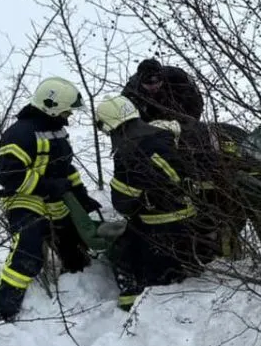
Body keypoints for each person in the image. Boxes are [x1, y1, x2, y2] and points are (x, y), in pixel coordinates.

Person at [94, 94, 221, 310]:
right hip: (193, 220)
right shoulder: (164, 134)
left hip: (159, 230)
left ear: (108, 124)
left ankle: (133, 308)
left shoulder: (128, 151)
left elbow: (122, 202)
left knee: (137, 265)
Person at [0, 76, 103, 321]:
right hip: (22, 198)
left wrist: (81, 196)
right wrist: (48, 186)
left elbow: (67, 170)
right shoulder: (19, 134)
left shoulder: (57, 132)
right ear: (51, 107)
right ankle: (6, 305)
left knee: (73, 242)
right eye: (66, 111)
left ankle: (76, 274)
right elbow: (9, 176)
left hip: (53, 198)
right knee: (29, 246)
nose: (69, 116)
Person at [121, 58, 205, 123]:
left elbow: (196, 102)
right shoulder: (130, 92)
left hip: (180, 113)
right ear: (140, 81)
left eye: (158, 81)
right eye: (149, 83)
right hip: (150, 124)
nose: (154, 86)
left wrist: (190, 124)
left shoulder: (178, 77)